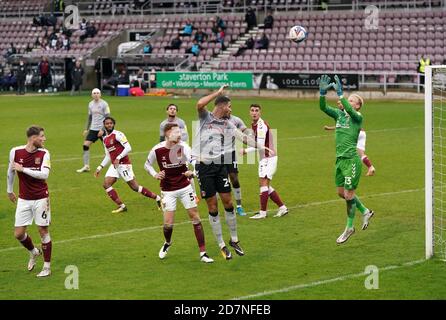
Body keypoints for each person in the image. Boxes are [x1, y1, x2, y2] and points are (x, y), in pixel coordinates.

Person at [193, 85, 272, 259]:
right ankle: (221, 244)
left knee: (228, 203)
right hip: (204, 168)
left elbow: (243, 137)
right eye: (229, 106)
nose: (231, 110)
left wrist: (261, 146)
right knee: (212, 206)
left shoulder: (228, 124)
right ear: (221, 106)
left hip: (220, 166)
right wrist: (218, 93)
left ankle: (234, 240)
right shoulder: (206, 117)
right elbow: (199, 104)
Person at [145, 123, 214, 263]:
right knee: (168, 224)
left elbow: (194, 161)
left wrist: (193, 172)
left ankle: (203, 253)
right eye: (177, 132)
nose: (180, 134)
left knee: (195, 218)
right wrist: (155, 174)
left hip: (185, 187)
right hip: (167, 190)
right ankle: (168, 243)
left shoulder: (184, 147)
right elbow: (147, 165)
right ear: (168, 134)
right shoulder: (157, 150)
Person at [318, 74, 375, 244]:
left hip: (351, 160)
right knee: (341, 193)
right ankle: (365, 211)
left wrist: (341, 95)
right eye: (348, 100)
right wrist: (322, 93)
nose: (349, 103)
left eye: (352, 101)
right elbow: (323, 108)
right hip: (339, 160)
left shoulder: (358, 118)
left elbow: (349, 110)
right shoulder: (339, 115)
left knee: (349, 195)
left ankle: (349, 227)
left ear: (358, 106)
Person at [7, 126, 53, 277]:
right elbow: (11, 170)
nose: (44, 139)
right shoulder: (15, 151)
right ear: (33, 138)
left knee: (43, 230)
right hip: (24, 199)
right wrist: (9, 189)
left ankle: (47, 267)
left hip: (41, 197)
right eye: (42, 136)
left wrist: (24, 169)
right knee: (19, 234)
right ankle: (34, 252)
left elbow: (44, 174)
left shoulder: (44, 153)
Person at [95, 117, 161, 213]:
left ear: (113, 124)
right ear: (104, 125)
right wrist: (99, 167)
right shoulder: (105, 139)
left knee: (135, 187)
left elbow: (128, 147)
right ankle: (121, 206)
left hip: (124, 164)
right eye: (107, 123)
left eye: (111, 123)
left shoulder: (118, 134)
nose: (109, 125)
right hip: (115, 165)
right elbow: (108, 156)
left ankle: (158, 198)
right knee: (106, 184)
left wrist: (118, 157)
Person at [241, 104, 288, 219]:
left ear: (260, 112)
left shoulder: (261, 126)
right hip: (266, 157)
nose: (254, 113)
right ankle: (282, 208)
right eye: (252, 110)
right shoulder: (255, 124)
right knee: (265, 184)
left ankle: (262, 213)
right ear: (249, 112)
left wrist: (245, 150)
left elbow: (261, 145)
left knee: (263, 184)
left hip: (268, 157)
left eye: (256, 110)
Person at [324, 101, 376, 177]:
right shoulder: (347, 112)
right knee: (360, 154)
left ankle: (349, 170)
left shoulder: (346, 112)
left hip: (357, 134)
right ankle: (370, 167)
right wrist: (330, 128)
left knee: (351, 153)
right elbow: (342, 126)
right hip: (362, 133)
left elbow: (344, 127)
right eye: (338, 104)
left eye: (340, 103)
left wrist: (329, 128)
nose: (339, 105)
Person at [77, 88, 110, 173]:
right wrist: (86, 129)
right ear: (92, 95)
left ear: (100, 94)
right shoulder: (90, 104)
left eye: (97, 93)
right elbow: (90, 117)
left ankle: (115, 165)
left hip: (102, 130)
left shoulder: (104, 104)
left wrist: (103, 129)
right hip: (93, 129)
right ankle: (86, 166)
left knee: (109, 148)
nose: (96, 94)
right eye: (94, 93)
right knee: (85, 145)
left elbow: (108, 117)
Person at [227, 110, 248, 216]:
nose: (229, 109)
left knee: (234, 179)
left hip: (231, 153)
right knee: (219, 180)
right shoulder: (215, 119)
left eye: (230, 106)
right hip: (217, 154)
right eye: (227, 106)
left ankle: (239, 206)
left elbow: (245, 130)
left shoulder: (235, 120)